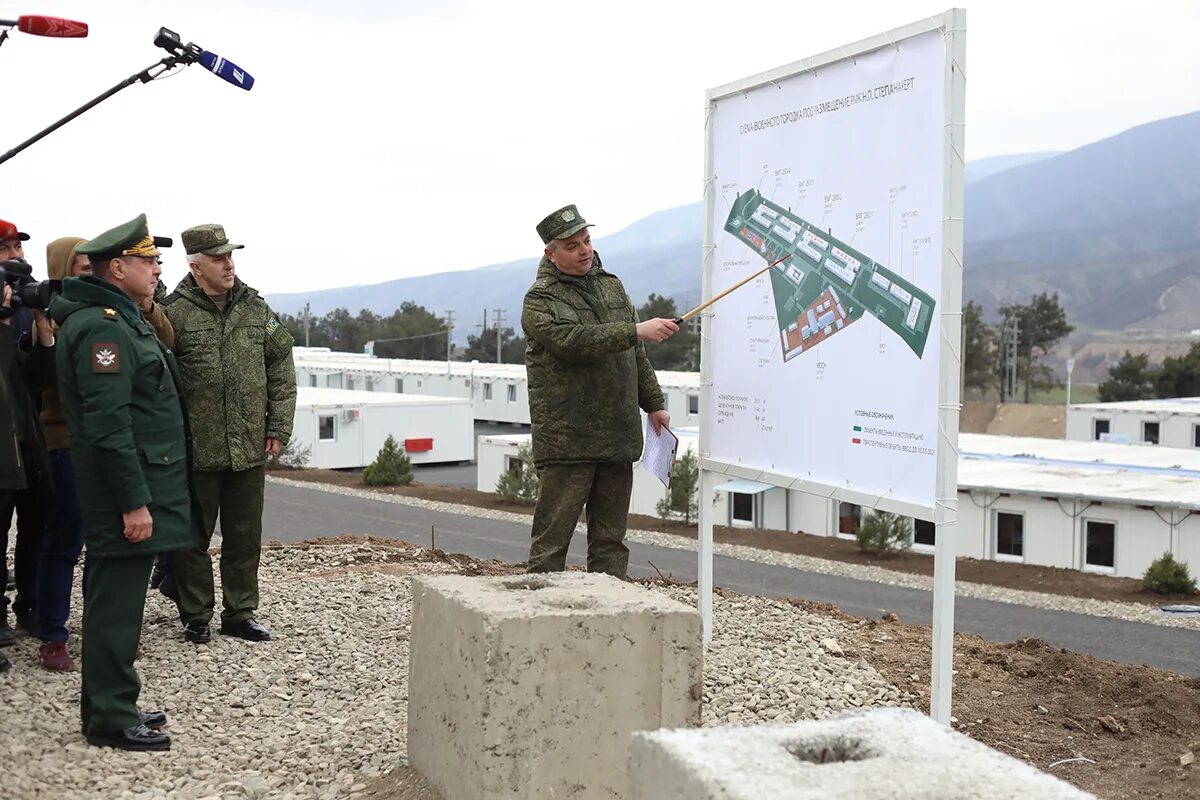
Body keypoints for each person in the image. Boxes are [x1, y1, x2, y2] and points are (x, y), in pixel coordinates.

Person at [50, 213, 194, 751]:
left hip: (132, 484)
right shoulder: (102, 328)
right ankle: (110, 717)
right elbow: (108, 425)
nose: (158, 269)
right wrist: (134, 502)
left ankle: (112, 702)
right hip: (122, 492)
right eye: (148, 261)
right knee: (115, 606)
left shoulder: (121, 318)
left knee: (117, 601)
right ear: (118, 268)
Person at [33, 236, 175, 671]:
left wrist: (147, 306)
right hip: (68, 443)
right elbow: (44, 380)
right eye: (78, 267)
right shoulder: (75, 317)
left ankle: (103, 634)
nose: (86, 274)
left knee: (106, 550)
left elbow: (168, 344)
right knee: (64, 542)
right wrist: (42, 331)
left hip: (109, 449)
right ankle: (53, 633)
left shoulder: (122, 313)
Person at [521, 204, 678, 579]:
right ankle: (537, 617)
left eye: (587, 240)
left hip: (616, 435)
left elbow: (634, 353)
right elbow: (572, 341)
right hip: (568, 440)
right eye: (572, 245)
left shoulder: (612, 286)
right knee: (552, 541)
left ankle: (610, 612)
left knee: (611, 541)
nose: (584, 250)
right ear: (550, 253)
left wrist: (653, 403)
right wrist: (635, 330)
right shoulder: (540, 300)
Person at [163, 223, 295, 645]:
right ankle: (196, 615)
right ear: (196, 266)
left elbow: (281, 365)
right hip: (196, 449)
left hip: (248, 445)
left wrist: (277, 425)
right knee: (192, 539)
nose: (229, 264)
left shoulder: (256, 308)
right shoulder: (173, 312)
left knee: (244, 537)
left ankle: (240, 613)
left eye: (230, 256)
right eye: (220, 258)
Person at [0, 217, 54, 653]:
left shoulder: (22, 296)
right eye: (6, 250)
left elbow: (38, 376)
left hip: (29, 430)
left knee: (38, 520)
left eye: (17, 247)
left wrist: (42, 330)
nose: (17, 257)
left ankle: (30, 606)